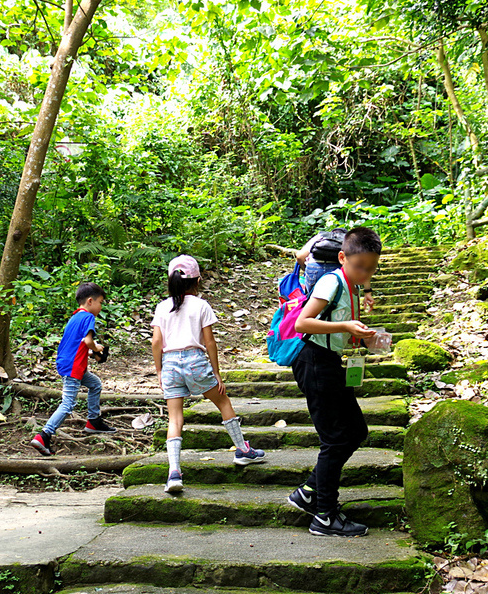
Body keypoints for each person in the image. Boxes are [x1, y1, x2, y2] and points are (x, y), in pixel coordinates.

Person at [286, 227, 383, 537]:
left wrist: (360, 334)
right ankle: (325, 515)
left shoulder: (352, 284)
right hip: (313, 362)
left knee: (356, 430)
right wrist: (343, 324)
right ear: (343, 258)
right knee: (336, 437)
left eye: (371, 268)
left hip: (329, 362)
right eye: (359, 267)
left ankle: (309, 492)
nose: (365, 273)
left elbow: (339, 323)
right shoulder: (331, 281)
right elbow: (302, 322)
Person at [151, 254, 265, 493]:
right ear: (198, 280)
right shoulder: (201, 305)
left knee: (174, 419)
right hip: (195, 361)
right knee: (222, 400)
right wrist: (216, 372)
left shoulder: (162, 307)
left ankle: (174, 473)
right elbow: (210, 342)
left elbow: (156, 342)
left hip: (170, 364)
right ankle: (242, 450)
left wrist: (159, 370)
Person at [31, 282, 116, 456]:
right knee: (68, 403)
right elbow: (86, 342)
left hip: (68, 362)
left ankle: (93, 421)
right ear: (90, 301)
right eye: (100, 302)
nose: (101, 306)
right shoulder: (88, 317)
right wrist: (96, 348)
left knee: (95, 384)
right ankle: (44, 435)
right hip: (73, 367)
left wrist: (91, 353)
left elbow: (75, 345)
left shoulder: (75, 317)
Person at [296, 228, 374, 310]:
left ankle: (312, 319)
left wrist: (307, 270)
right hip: (340, 269)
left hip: (315, 268)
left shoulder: (320, 236)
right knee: (340, 302)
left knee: (312, 304)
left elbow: (300, 256)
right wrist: (367, 291)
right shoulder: (351, 240)